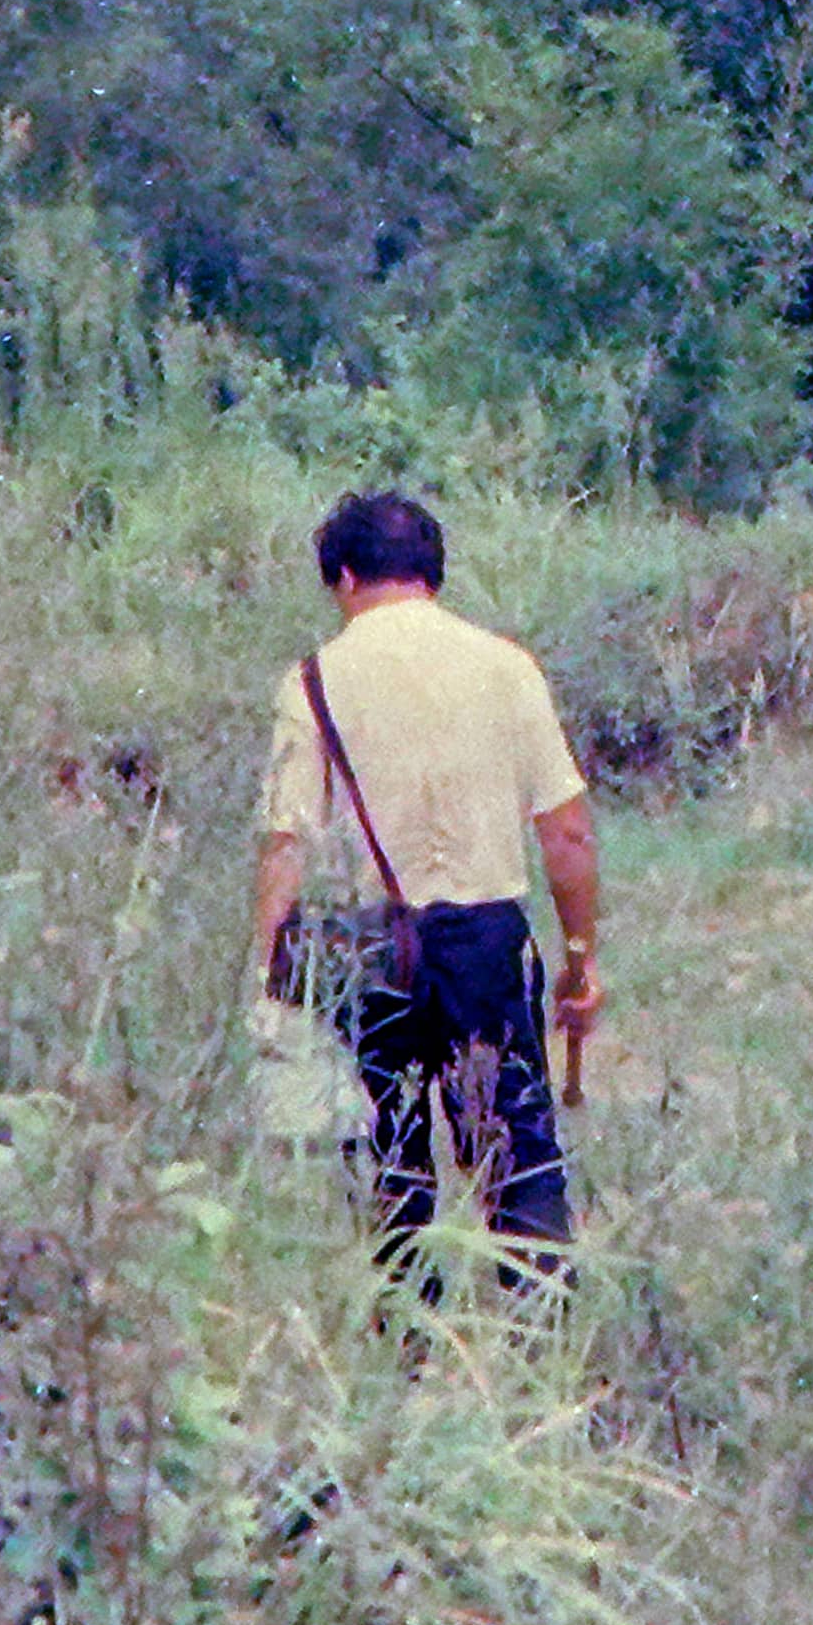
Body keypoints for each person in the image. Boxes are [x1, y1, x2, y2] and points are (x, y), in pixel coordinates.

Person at [247, 490, 595, 1289]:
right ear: (433, 575)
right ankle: (541, 1339)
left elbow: (287, 841)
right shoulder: (507, 668)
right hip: (486, 941)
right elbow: (567, 832)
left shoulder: (312, 681)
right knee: (518, 1155)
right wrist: (580, 957)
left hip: (372, 947)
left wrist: (265, 977)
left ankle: (407, 1351)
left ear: (342, 576)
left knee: (390, 1159)